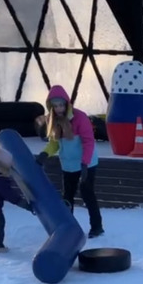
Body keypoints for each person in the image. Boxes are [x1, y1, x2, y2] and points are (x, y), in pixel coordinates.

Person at [36, 85, 104, 238]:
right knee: (67, 196)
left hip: (86, 162)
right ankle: (68, 227)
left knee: (87, 194)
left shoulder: (80, 118)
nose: (59, 108)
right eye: (55, 106)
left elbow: (88, 142)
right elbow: (54, 143)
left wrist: (85, 163)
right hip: (68, 165)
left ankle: (97, 226)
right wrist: (44, 154)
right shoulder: (53, 121)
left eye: (61, 105)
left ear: (67, 104)